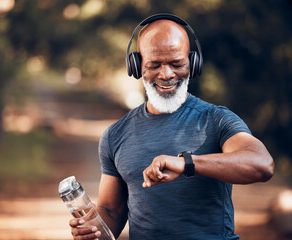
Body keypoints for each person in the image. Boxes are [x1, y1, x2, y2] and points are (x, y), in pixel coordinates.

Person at [69, 14, 274, 240]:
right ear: (136, 66)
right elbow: (111, 210)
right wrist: (93, 228)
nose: (166, 74)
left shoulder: (216, 119)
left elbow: (262, 164)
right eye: (154, 65)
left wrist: (187, 162)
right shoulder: (115, 135)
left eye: (176, 64)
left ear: (193, 63)